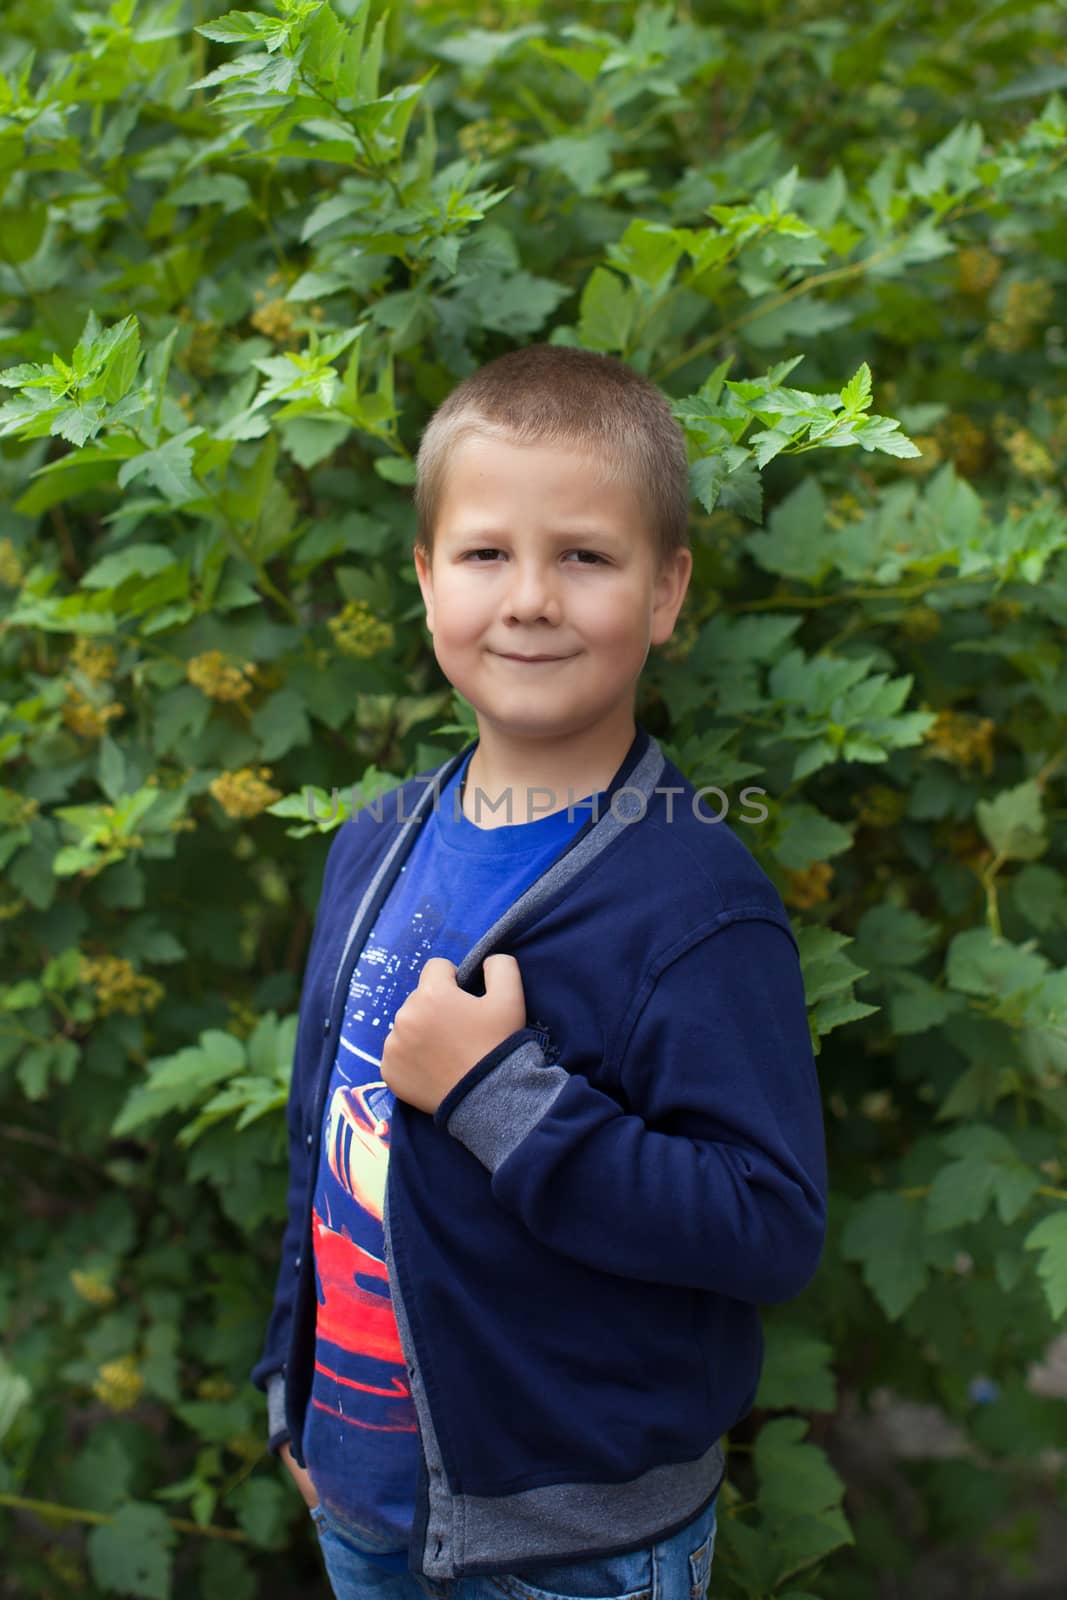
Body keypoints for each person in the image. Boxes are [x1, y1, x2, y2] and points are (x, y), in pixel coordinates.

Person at [250, 343, 829, 1600]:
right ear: (423, 579)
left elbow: (767, 1226)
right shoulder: (374, 843)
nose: (527, 598)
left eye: (582, 555)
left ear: (666, 590)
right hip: (362, 1495)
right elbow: (324, 1144)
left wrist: (495, 1093)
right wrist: (291, 1391)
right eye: (481, 554)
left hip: (573, 1547)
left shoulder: (693, 903)